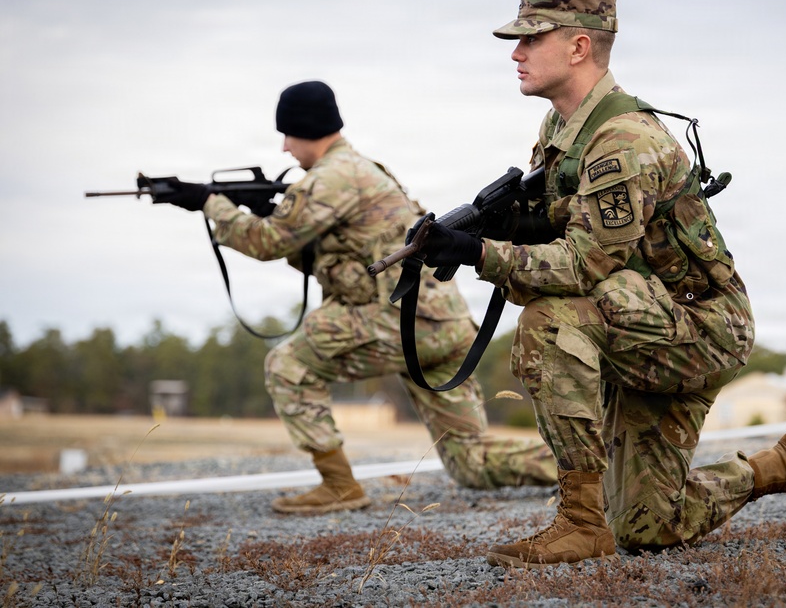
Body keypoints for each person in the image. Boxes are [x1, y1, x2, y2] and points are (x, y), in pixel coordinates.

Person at [414, 0, 786, 568]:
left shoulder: (622, 141)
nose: (515, 54)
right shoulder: (558, 134)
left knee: (550, 319)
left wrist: (480, 252)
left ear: (578, 48)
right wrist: (495, 233)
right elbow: (565, 238)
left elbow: (584, 263)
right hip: (638, 323)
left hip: (698, 329)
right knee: (651, 529)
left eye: (530, 39)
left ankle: (578, 524)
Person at [158, 80, 557, 514]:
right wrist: (270, 213)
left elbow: (266, 243)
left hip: (402, 323)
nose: (285, 149)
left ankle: (339, 485)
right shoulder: (363, 170)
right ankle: (588, 471)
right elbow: (325, 254)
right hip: (439, 326)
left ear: (306, 129)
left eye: (287, 136)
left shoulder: (332, 177)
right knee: (471, 463)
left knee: (287, 364)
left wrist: (210, 204)